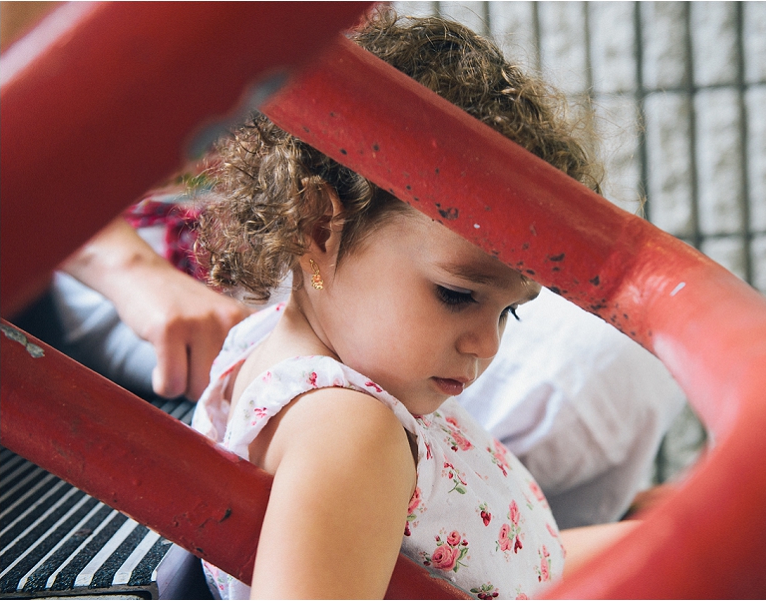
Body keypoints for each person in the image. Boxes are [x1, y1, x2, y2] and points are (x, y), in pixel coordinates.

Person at [189, 10, 644, 599]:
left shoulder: (286, 351)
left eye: (511, 310)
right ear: (320, 227)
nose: (488, 344)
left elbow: (526, 565)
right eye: (458, 295)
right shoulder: (348, 433)